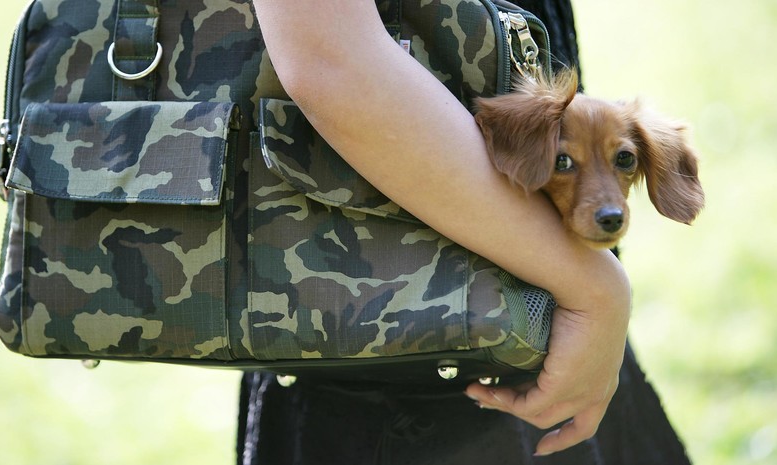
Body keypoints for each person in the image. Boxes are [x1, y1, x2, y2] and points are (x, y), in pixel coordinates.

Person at [238, 1, 690, 463]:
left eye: (624, 160)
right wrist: (595, 290)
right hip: (380, 346)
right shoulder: (590, 284)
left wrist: (590, 295)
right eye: (563, 161)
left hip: (558, 322)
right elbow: (327, 59)